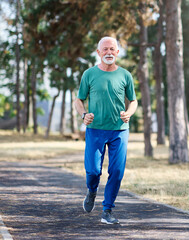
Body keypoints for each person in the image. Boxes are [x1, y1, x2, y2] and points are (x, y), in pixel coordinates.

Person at [74, 36, 138, 224]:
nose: (109, 52)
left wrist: (129, 113)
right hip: (95, 130)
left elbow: (133, 101)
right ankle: (92, 191)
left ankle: (107, 211)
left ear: (117, 52)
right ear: (98, 53)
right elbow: (79, 99)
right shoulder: (89, 74)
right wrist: (83, 115)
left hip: (119, 130)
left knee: (117, 171)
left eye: (112, 49)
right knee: (93, 171)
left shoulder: (125, 75)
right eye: (105, 49)